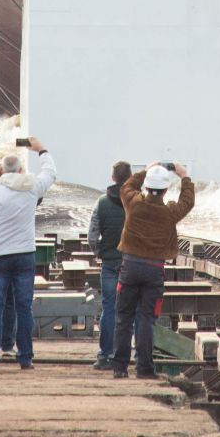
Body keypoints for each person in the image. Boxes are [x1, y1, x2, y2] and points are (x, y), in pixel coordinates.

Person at [0, 138, 56, 370]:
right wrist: (41, 150)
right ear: (19, 170)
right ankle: (25, 357)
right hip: (25, 253)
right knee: (23, 307)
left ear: (1, 172)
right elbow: (50, 173)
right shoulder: (32, 188)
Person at [109, 163, 195, 380]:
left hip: (129, 267)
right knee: (146, 319)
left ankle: (119, 367)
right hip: (154, 270)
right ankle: (144, 369)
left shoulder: (133, 203)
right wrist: (184, 176)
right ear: (166, 190)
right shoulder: (169, 213)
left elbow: (127, 186)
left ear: (146, 187)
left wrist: (147, 169)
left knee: (123, 318)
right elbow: (188, 201)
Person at [87, 159, 130, 371]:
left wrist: (99, 253)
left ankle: (105, 355)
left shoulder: (101, 202)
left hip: (110, 262)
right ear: (130, 178)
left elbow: (92, 235)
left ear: (113, 178)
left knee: (109, 309)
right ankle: (136, 356)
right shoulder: (136, 201)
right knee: (134, 309)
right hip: (132, 262)